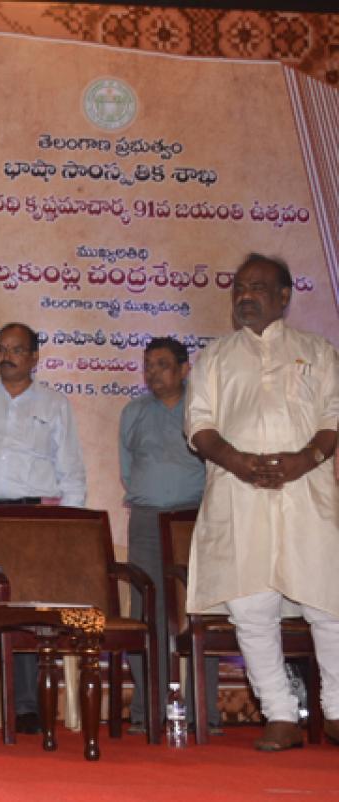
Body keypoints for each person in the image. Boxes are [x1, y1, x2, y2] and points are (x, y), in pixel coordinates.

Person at [185, 253, 338, 751]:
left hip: (305, 492)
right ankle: (280, 715)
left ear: (284, 296)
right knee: (251, 608)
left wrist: (306, 458)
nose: (245, 296)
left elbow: (333, 417)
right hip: (239, 494)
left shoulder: (318, 351)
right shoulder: (215, 356)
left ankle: (337, 711)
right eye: (239, 288)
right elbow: (199, 425)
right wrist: (236, 461)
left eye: (257, 287)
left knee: (328, 602)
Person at [0, 321, 86, 733]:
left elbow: (71, 470)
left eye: (16, 349)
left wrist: (67, 530)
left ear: (34, 357)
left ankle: (26, 707)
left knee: (24, 608)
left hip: (28, 520)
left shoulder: (55, 403)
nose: (6, 356)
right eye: (1, 348)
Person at [118, 337, 219, 736]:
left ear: (184, 369)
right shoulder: (134, 412)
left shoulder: (204, 409)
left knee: (202, 612)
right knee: (147, 613)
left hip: (195, 522)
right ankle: (148, 709)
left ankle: (204, 712)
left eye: (162, 364)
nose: (153, 373)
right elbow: (128, 468)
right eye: (148, 365)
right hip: (146, 522)